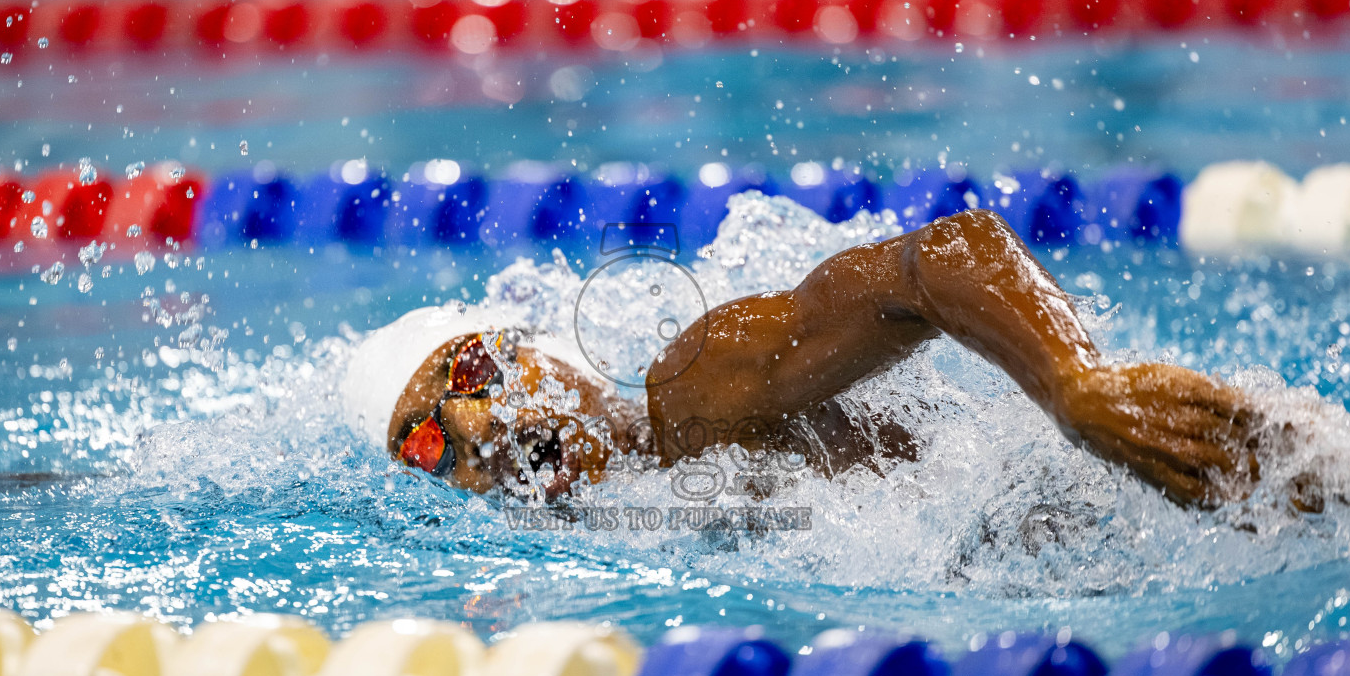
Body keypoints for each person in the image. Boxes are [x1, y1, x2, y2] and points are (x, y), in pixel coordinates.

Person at [341, 208, 1278, 509]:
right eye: (424, 445)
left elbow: (941, 255)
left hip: (1154, 475)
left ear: (532, 351)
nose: (472, 426)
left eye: (468, 376)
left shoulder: (696, 386)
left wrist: (1076, 385)